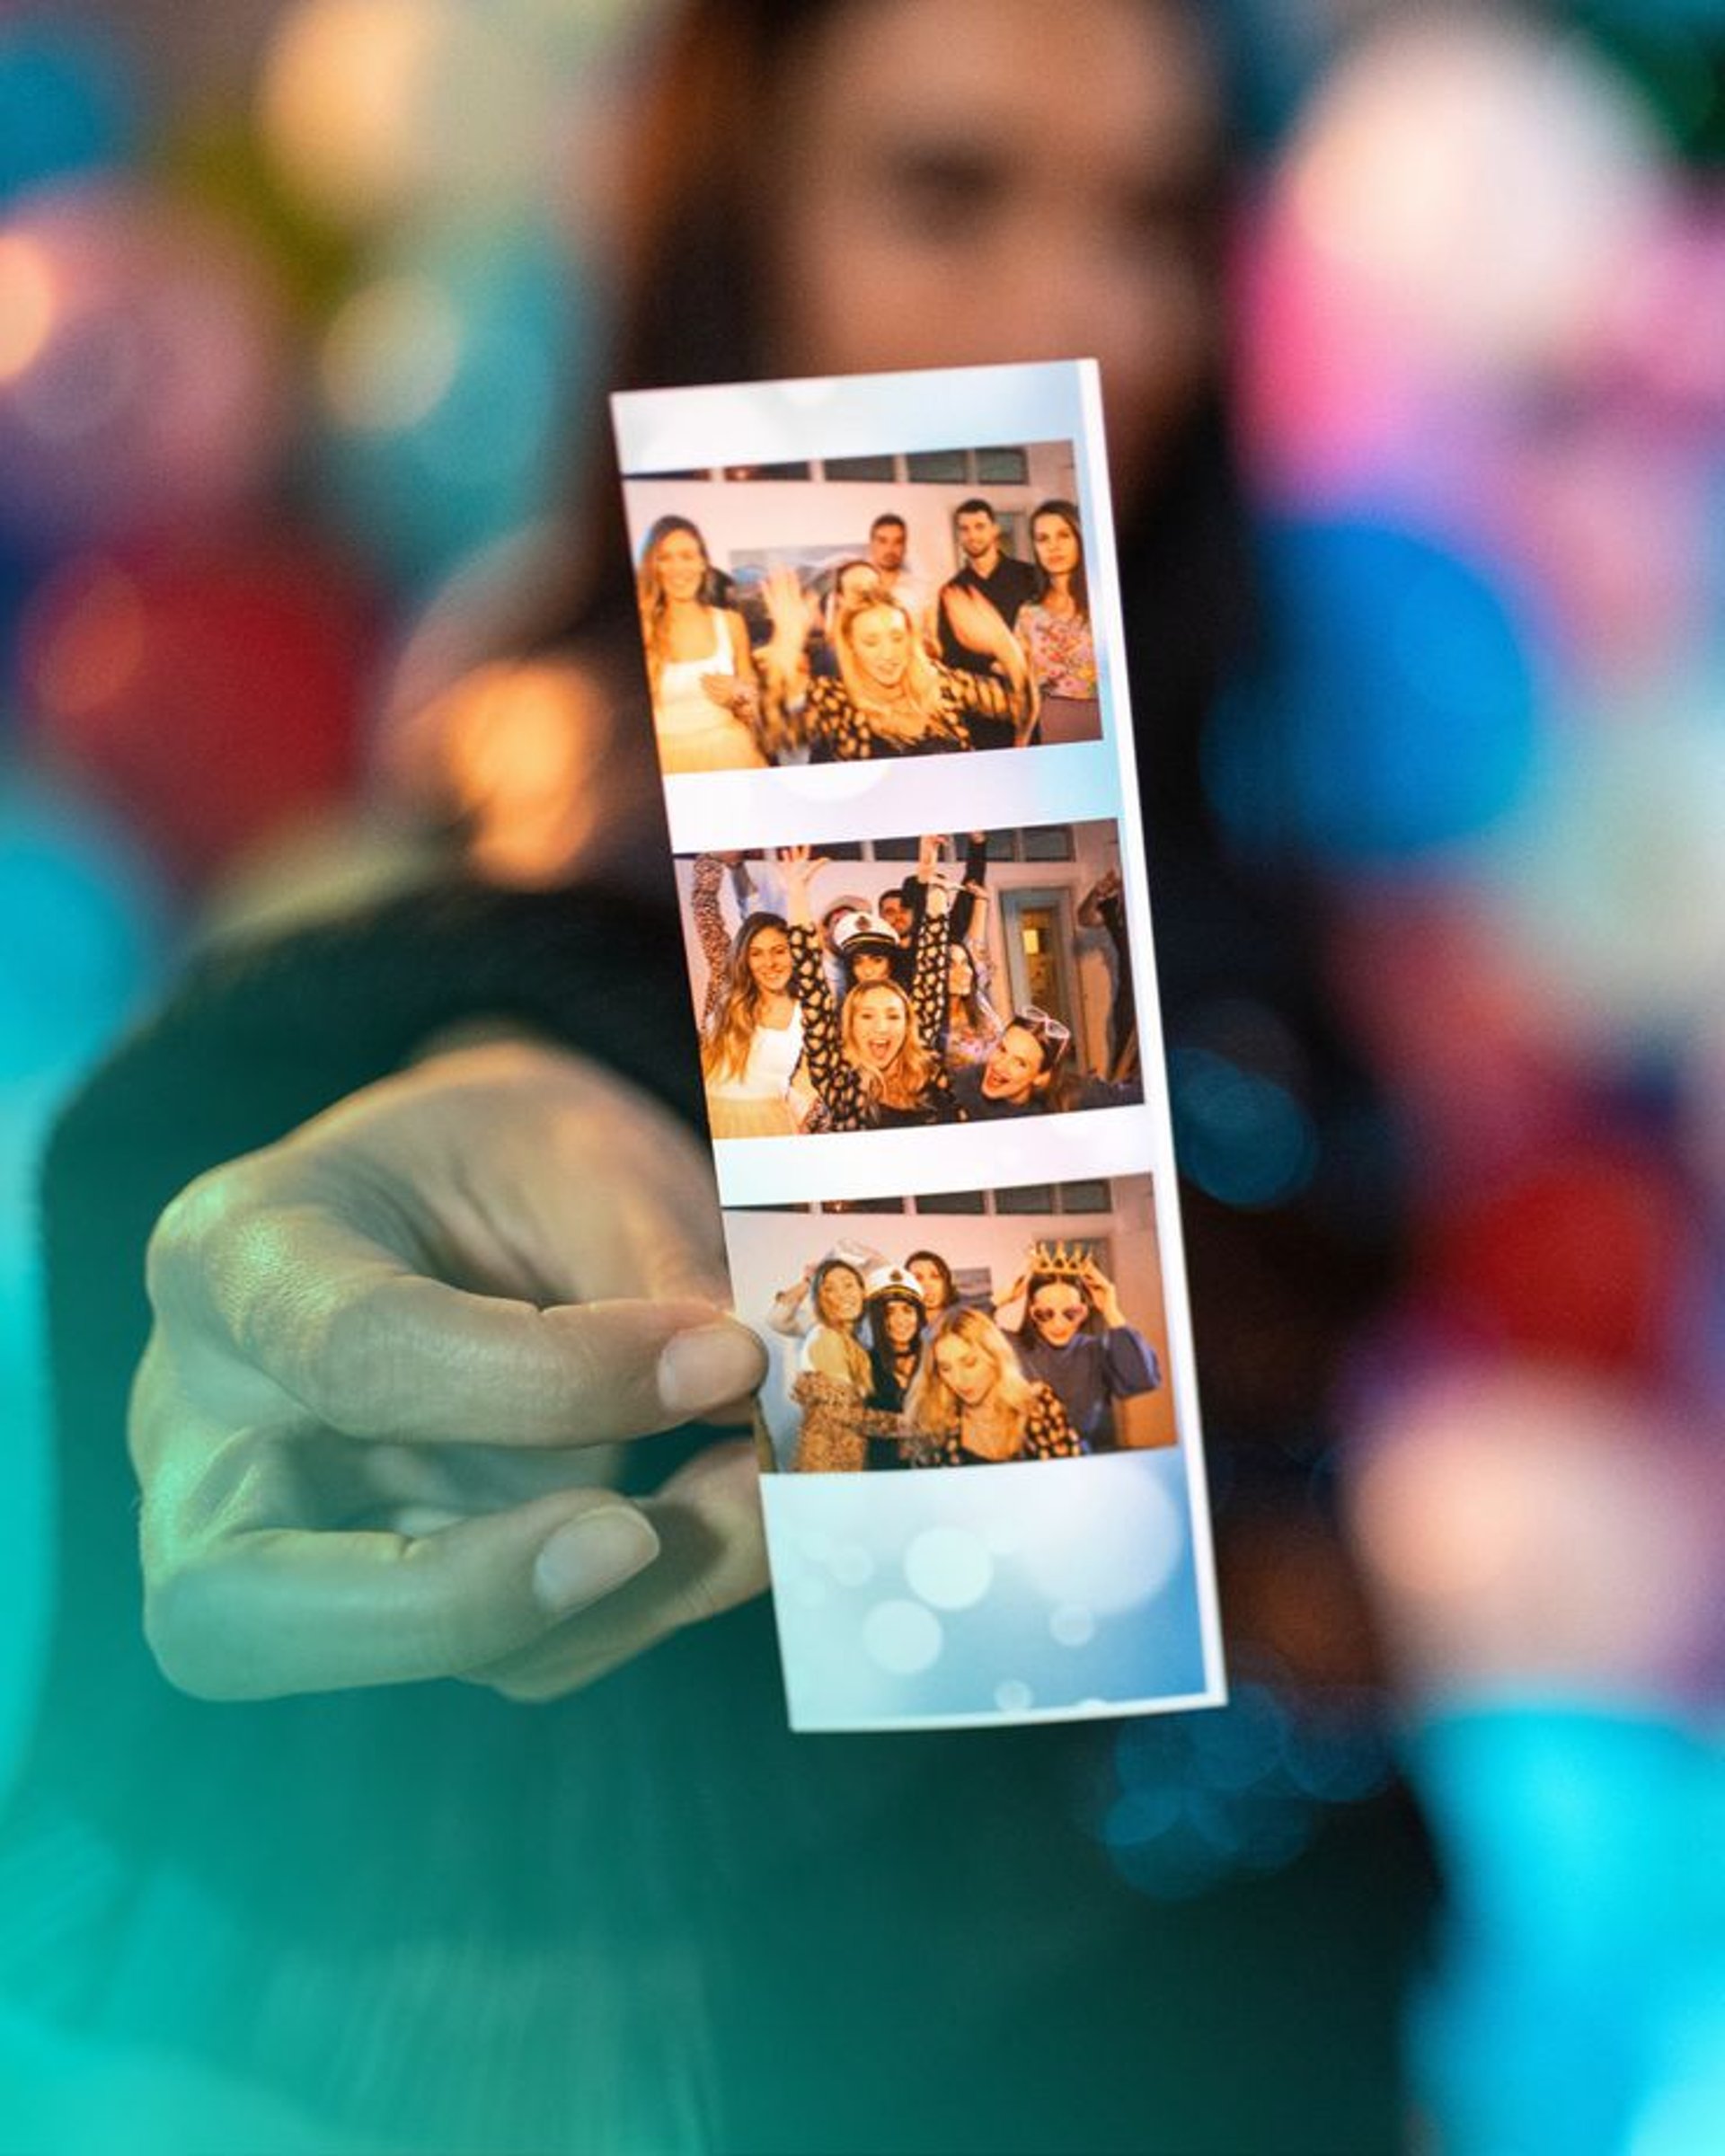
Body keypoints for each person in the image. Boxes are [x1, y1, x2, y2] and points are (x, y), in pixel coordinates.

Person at [4, 4, 1420, 2153]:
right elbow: (580, 1012)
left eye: (1152, 212)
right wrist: (482, 1091)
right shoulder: (664, 748)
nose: (1079, 306)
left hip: (1311, 1996)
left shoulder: (1203, 746)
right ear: (722, 231)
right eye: (943, 189)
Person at [783, 840, 953, 1131]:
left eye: (892, 1015)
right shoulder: (838, 1075)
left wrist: (932, 884)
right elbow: (811, 984)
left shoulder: (921, 1054)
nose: (881, 1027)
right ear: (849, 1022)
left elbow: (932, 968)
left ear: (908, 1021)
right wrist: (797, 895)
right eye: (866, 1016)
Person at [772, 584, 1038, 759]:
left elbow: (1024, 711)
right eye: (871, 642)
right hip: (885, 844)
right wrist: (785, 647)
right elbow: (779, 738)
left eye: (897, 637)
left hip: (962, 842)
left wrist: (1005, 647)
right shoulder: (834, 698)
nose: (888, 654)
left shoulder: (940, 682)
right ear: (851, 647)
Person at [634, 513, 767, 773]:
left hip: (731, 757)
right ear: (652, 566)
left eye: (687, 556)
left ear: (703, 563)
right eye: (664, 558)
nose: (677, 569)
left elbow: (754, 707)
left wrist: (739, 694)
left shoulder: (731, 623)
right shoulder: (643, 629)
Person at [995, 1245, 1162, 1451]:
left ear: (1085, 1311)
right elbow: (954, 1336)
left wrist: (1110, 1309)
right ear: (1031, 1313)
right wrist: (1000, 1299)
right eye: (1045, 1314)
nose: (1058, 1324)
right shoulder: (1009, 1347)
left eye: (1071, 1313)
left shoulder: (1096, 1351)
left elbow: (1141, 1379)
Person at [690, 855, 811, 1138]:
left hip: (773, 1126)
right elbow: (704, 907)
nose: (769, 963)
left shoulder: (809, 1008)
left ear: (794, 952)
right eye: (756, 953)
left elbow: (809, 1080)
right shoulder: (726, 985)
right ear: (744, 958)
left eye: (779, 950)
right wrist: (713, 856)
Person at [901, 1306, 1084, 1466]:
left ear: (995, 1357)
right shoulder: (936, 1428)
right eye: (945, 1368)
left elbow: (1072, 1481)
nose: (959, 1379)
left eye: (970, 1363)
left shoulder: (1040, 1404)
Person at [936, 498, 1041, 711]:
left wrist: (1019, 663)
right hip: (984, 703)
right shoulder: (951, 591)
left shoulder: (1030, 576)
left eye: (979, 527)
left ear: (995, 530)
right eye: (964, 529)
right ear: (958, 535)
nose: (972, 535)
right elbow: (950, 654)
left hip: (1036, 693)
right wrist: (995, 665)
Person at [1014, 499, 1101, 746]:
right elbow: (1025, 687)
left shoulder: (1103, 600)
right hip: (1056, 722)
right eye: (1043, 539)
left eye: (1063, 535)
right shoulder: (1028, 614)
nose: (1053, 547)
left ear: (1080, 540)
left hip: (1107, 716)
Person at [865, 511, 932, 632]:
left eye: (898, 542)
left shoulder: (921, 590)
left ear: (905, 547)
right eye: (882, 541)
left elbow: (933, 637)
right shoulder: (855, 587)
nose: (890, 549)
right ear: (871, 544)